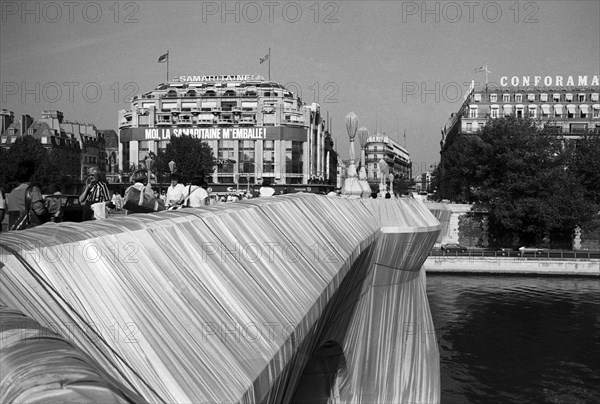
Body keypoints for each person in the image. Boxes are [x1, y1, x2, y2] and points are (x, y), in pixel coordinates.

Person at [6, 160, 50, 230]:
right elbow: (40, 211)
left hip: (14, 231)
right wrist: (47, 207)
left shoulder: (12, 193)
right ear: (31, 175)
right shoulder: (33, 190)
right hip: (30, 231)